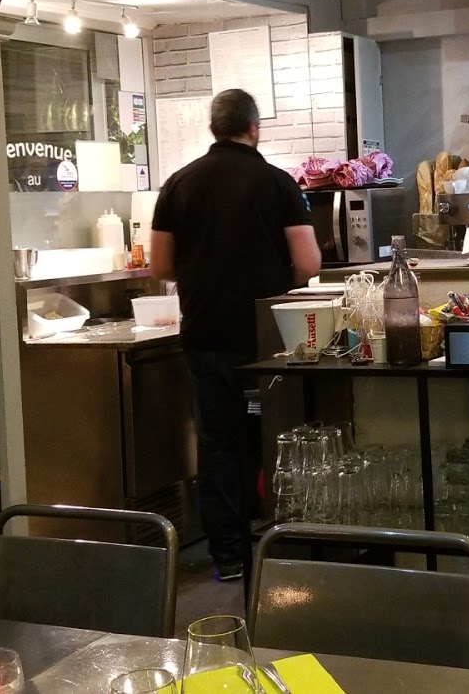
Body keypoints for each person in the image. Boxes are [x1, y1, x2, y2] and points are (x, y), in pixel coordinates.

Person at [148, 88, 322, 581]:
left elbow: (160, 265)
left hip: (205, 334)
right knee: (277, 437)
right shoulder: (277, 183)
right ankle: (282, 546)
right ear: (253, 127)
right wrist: (275, 280)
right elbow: (309, 262)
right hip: (266, 338)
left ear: (214, 128)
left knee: (218, 444)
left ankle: (228, 556)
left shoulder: (178, 184)